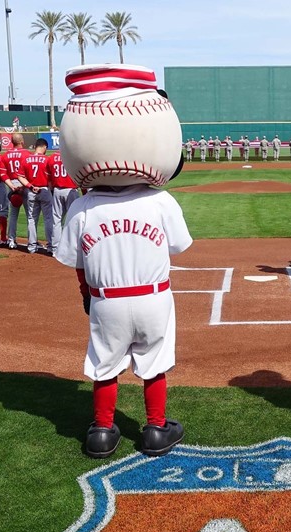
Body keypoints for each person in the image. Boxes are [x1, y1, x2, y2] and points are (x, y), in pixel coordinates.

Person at [55, 63, 192, 459]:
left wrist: (85, 293)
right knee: (155, 362)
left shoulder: (82, 207)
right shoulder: (162, 201)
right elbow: (180, 247)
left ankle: (101, 431)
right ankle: (155, 429)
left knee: (104, 364)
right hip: (153, 297)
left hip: (106, 300)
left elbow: (78, 263)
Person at [21, 138, 54, 254]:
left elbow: (20, 177)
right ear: (44, 147)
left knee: (31, 219)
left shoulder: (26, 159)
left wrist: (30, 186)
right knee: (48, 219)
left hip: (31, 191)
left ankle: (31, 246)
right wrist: (51, 190)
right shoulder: (47, 160)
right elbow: (50, 179)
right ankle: (51, 247)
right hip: (44, 189)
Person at [46, 146, 78, 255]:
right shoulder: (72, 156)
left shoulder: (51, 158)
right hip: (70, 190)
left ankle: (55, 249)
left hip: (57, 190)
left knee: (56, 220)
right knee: (73, 219)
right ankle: (70, 248)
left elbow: (49, 179)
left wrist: (52, 191)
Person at [2, 133, 32, 249]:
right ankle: (32, 241)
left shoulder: (5, 155)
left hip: (12, 184)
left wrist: (12, 186)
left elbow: (3, 173)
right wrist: (25, 185)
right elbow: (30, 173)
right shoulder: (27, 154)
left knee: (13, 215)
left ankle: (11, 240)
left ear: (11, 142)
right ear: (22, 141)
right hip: (24, 184)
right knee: (30, 215)